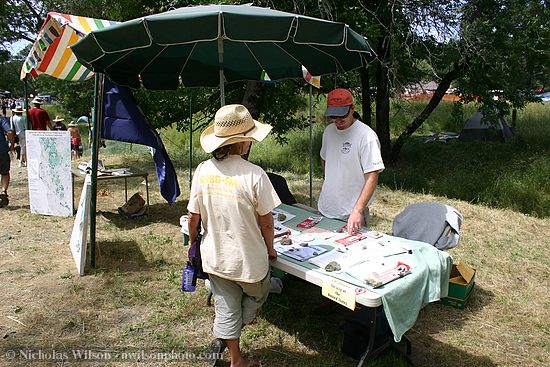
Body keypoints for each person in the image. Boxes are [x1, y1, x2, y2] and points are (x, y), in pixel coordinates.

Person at [187, 104, 280, 367]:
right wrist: (271, 249)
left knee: (226, 305)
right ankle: (230, 335)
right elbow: (267, 224)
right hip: (249, 262)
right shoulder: (255, 175)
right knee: (258, 295)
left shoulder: (203, 169)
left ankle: (233, 353)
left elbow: (193, 218)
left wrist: (193, 244)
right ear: (243, 142)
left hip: (215, 257)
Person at [318, 88, 385, 234]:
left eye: (342, 115)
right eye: (333, 116)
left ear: (352, 108)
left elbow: (372, 175)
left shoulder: (366, 136)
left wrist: (357, 210)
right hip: (326, 207)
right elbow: (324, 159)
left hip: (351, 213)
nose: (338, 120)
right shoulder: (329, 131)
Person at [0, 115, 15, 207]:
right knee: (5, 172)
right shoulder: (1, 119)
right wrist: (12, 145)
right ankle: (3, 191)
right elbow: (9, 131)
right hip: (1, 150)